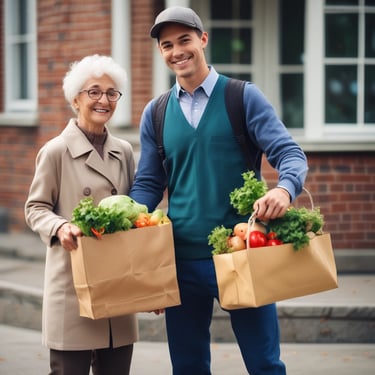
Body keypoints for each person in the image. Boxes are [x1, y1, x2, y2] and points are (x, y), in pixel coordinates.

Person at [130, 6, 308, 375]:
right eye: (167, 45)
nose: (177, 51)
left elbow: (289, 153)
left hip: (242, 252)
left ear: (203, 39)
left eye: (185, 40)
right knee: (188, 366)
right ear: (161, 53)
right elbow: (148, 184)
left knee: (264, 364)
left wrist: (284, 190)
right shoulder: (157, 112)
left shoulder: (242, 97)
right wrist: (124, 227)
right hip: (180, 260)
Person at [25, 54, 138, 375]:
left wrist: (148, 282)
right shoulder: (55, 151)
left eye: (111, 93)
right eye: (94, 92)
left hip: (117, 286)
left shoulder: (125, 151)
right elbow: (35, 208)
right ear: (75, 99)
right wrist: (60, 227)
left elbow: (134, 215)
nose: (104, 100)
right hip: (72, 286)